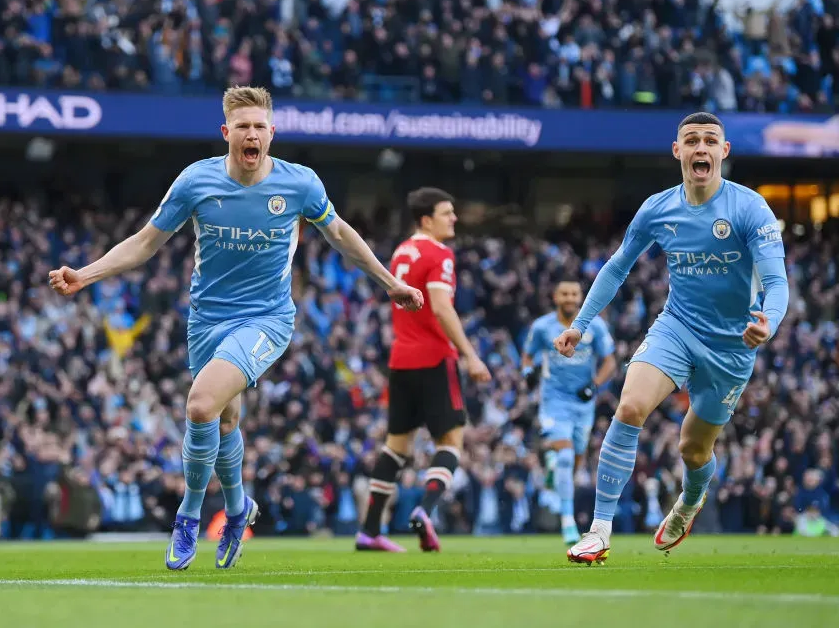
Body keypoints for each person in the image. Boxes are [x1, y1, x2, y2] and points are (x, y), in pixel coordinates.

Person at [49, 86, 423, 570]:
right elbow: (145, 244)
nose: (252, 134)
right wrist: (86, 274)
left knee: (201, 405)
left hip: (267, 318)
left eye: (260, 126)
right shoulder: (195, 182)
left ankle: (187, 516)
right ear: (227, 133)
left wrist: (389, 282)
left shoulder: (299, 184)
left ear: (272, 134)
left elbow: (342, 236)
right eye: (242, 126)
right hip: (206, 319)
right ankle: (238, 507)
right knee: (225, 420)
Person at [556, 112, 789, 564]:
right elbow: (617, 266)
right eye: (691, 141)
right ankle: (599, 531)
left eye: (709, 141)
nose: (700, 148)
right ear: (677, 151)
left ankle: (689, 500)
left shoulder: (750, 207)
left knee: (693, 447)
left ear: (723, 151)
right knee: (629, 407)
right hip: (677, 327)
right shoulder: (658, 208)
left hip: (733, 345)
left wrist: (769, 323)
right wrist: (579, 324)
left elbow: (777, 281)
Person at [355, 187, 491, 553]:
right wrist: (470, 355)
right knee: (451, 442)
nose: (454, 219)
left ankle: (369, 532)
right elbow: (442, 307)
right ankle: (426, 509)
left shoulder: (402, 251)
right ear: (426, 219)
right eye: (447, 213)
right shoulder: (439, 253)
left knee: (396, 448)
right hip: (433, 358)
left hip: (400, 360)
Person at [521, 280, 616, 545]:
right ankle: (567, 521)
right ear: (555, 297)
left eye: (574, 293)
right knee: (564, 457)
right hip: (554, 401)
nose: (570, 298)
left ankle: (554, 471)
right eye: (564, 293)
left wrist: (595, 385)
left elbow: (610, 360)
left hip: (583, 403)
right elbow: (527, 356)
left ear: (581, 297)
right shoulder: (542, 327)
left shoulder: (595, 325)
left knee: (574, 461)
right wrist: (527, 373)